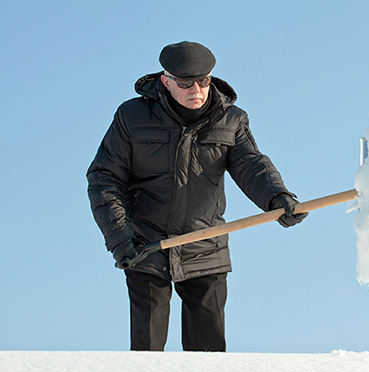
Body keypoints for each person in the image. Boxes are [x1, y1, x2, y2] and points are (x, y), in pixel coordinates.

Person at [87, 41, 307, 352]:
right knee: (147, 356)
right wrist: (120, 238)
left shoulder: (230, 119)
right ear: (166, 81)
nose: (196, 90)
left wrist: (277, 198)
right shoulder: (132, 117)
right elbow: (103, 178)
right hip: (146, 247)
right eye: (185, 82)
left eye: (203, 80)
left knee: (208, 358)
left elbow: (251, 165)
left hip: (206, 246)